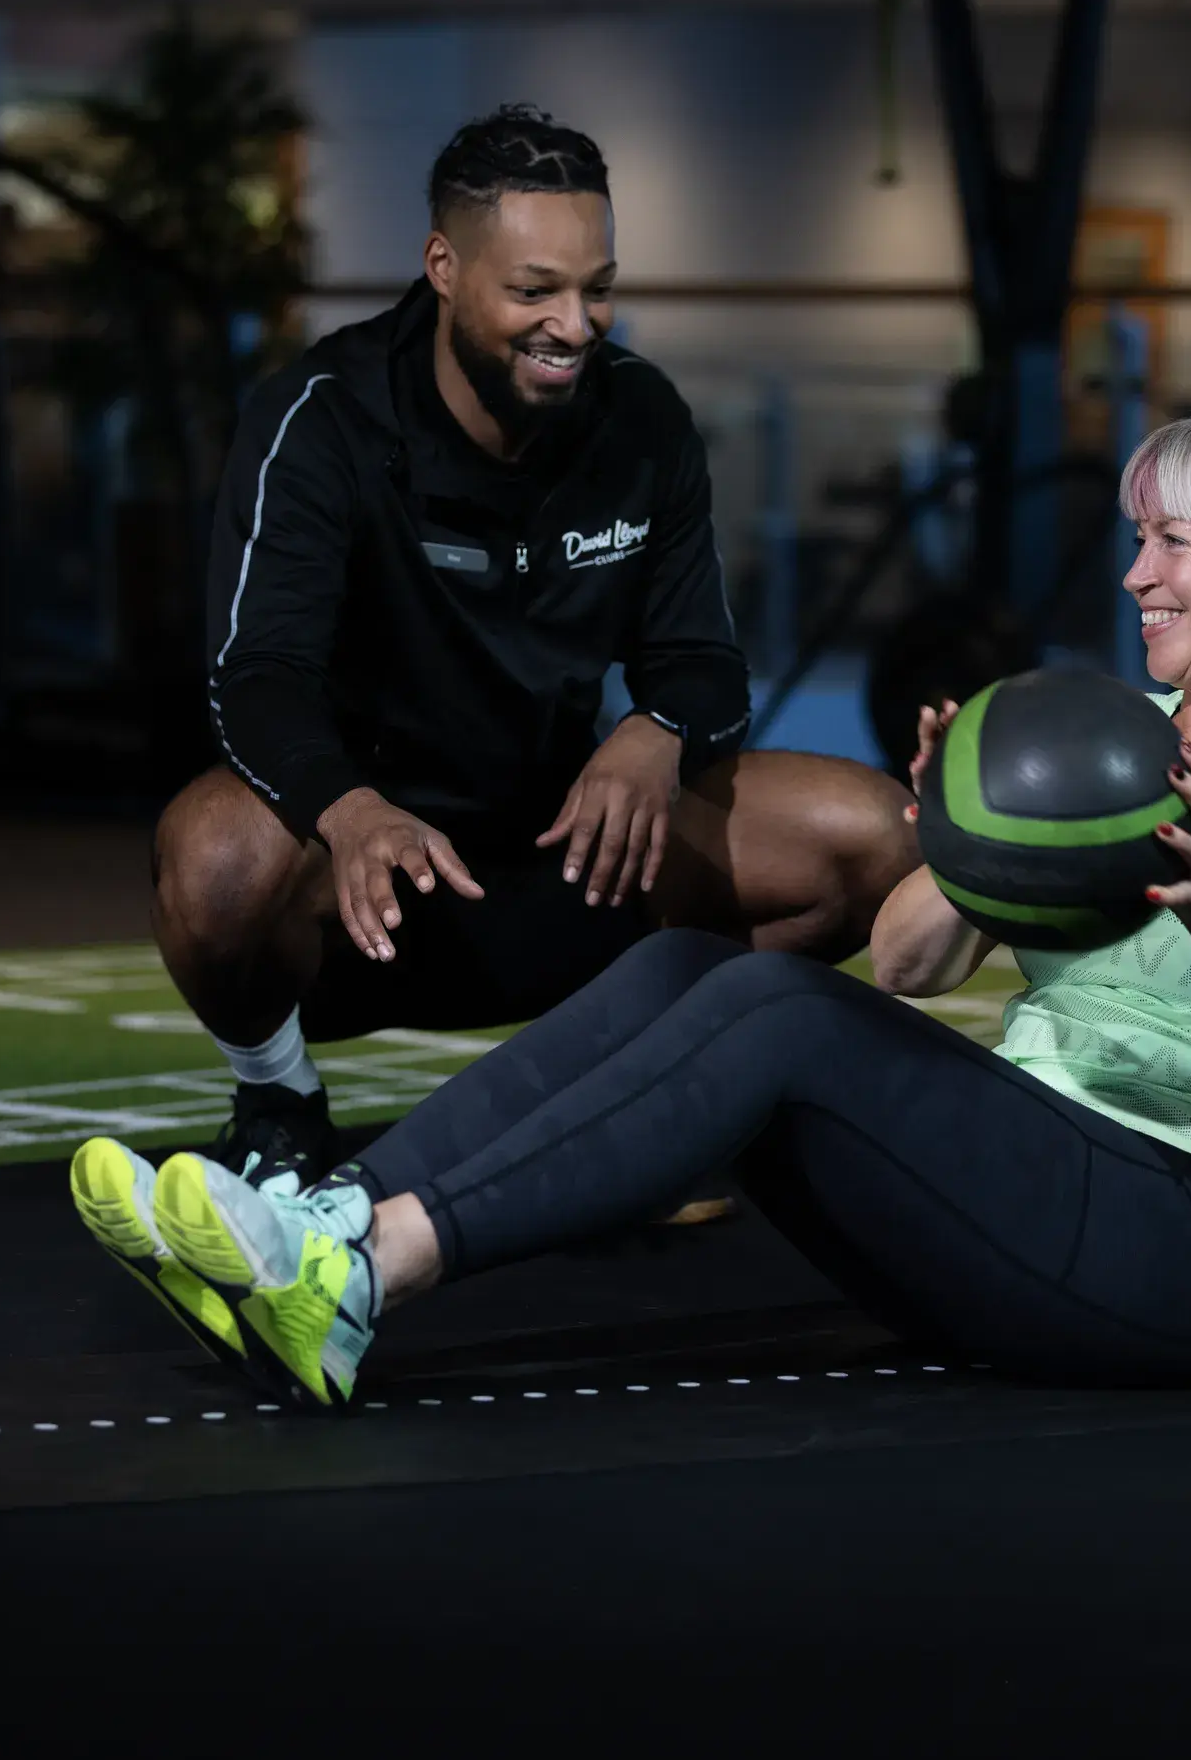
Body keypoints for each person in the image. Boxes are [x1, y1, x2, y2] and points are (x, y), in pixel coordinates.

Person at [76, 399, 1191, 1403]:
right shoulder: (1125, 739)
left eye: (1172, 543)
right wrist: (963, 840)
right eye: (1138, 540)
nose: (1136, 574)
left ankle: (366, 1276)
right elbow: (913, 967)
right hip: (1020, 1192)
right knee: (699, 969)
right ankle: (318, 1224)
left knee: (779, 1010)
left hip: (1185, 1248)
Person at [155, 106, 917, 1181]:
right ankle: (280, 1103)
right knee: (214, 856)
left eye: (596, 286)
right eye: (534, 291)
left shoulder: (641, 417)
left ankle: (626, 1084)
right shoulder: (320, 419)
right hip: (369, 877)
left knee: (876, 834)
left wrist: (654, 733)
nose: (576, 323)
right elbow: (256, 677)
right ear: (443, 269)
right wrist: (349, 806)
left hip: (574, 853)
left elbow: (701, 661)